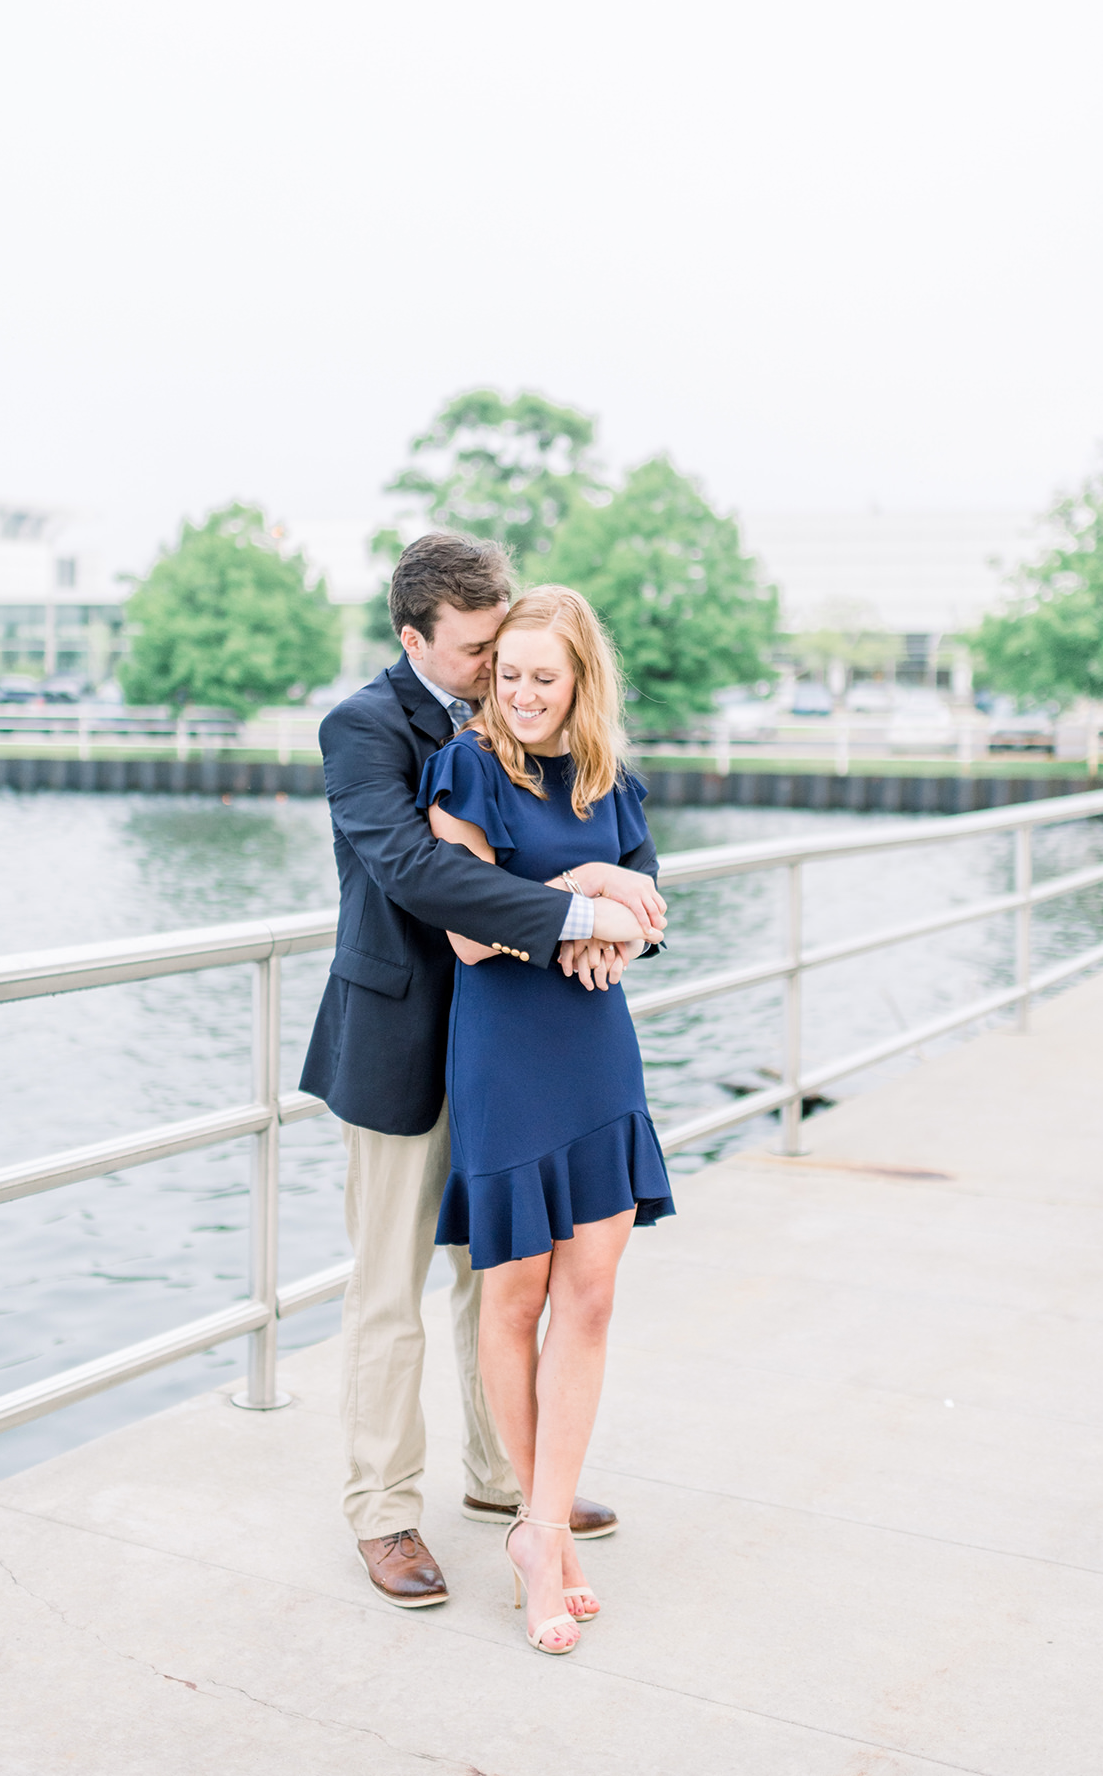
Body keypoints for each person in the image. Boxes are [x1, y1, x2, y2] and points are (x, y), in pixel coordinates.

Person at [299, 534, 667, 1609]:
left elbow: (604, 831)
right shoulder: (361, 728)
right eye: (474, 651)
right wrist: (580, 915)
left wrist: (618, 914)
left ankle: (507, 1482)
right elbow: (417, 871)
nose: (496, 666)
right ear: (414, 638)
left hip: (520, 1044)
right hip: (400, 1040)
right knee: (387, 1295)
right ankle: (383, 1513)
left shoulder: (527, 715)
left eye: (506, 644)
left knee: (502, 1278)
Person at [418, 585, 675, 1655]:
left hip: (594, 1051)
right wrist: (587, 891)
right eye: (507, 674)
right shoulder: (466, 767)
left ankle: (541, 1523)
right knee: (512, 1294)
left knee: (593, 1296)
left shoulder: (610, 776)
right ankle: (539, 1529)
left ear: (579, 680)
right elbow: (470, 934)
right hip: (507, 1055)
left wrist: (617, 901)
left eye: (543, 677)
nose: (522, 693)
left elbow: (652, 915)